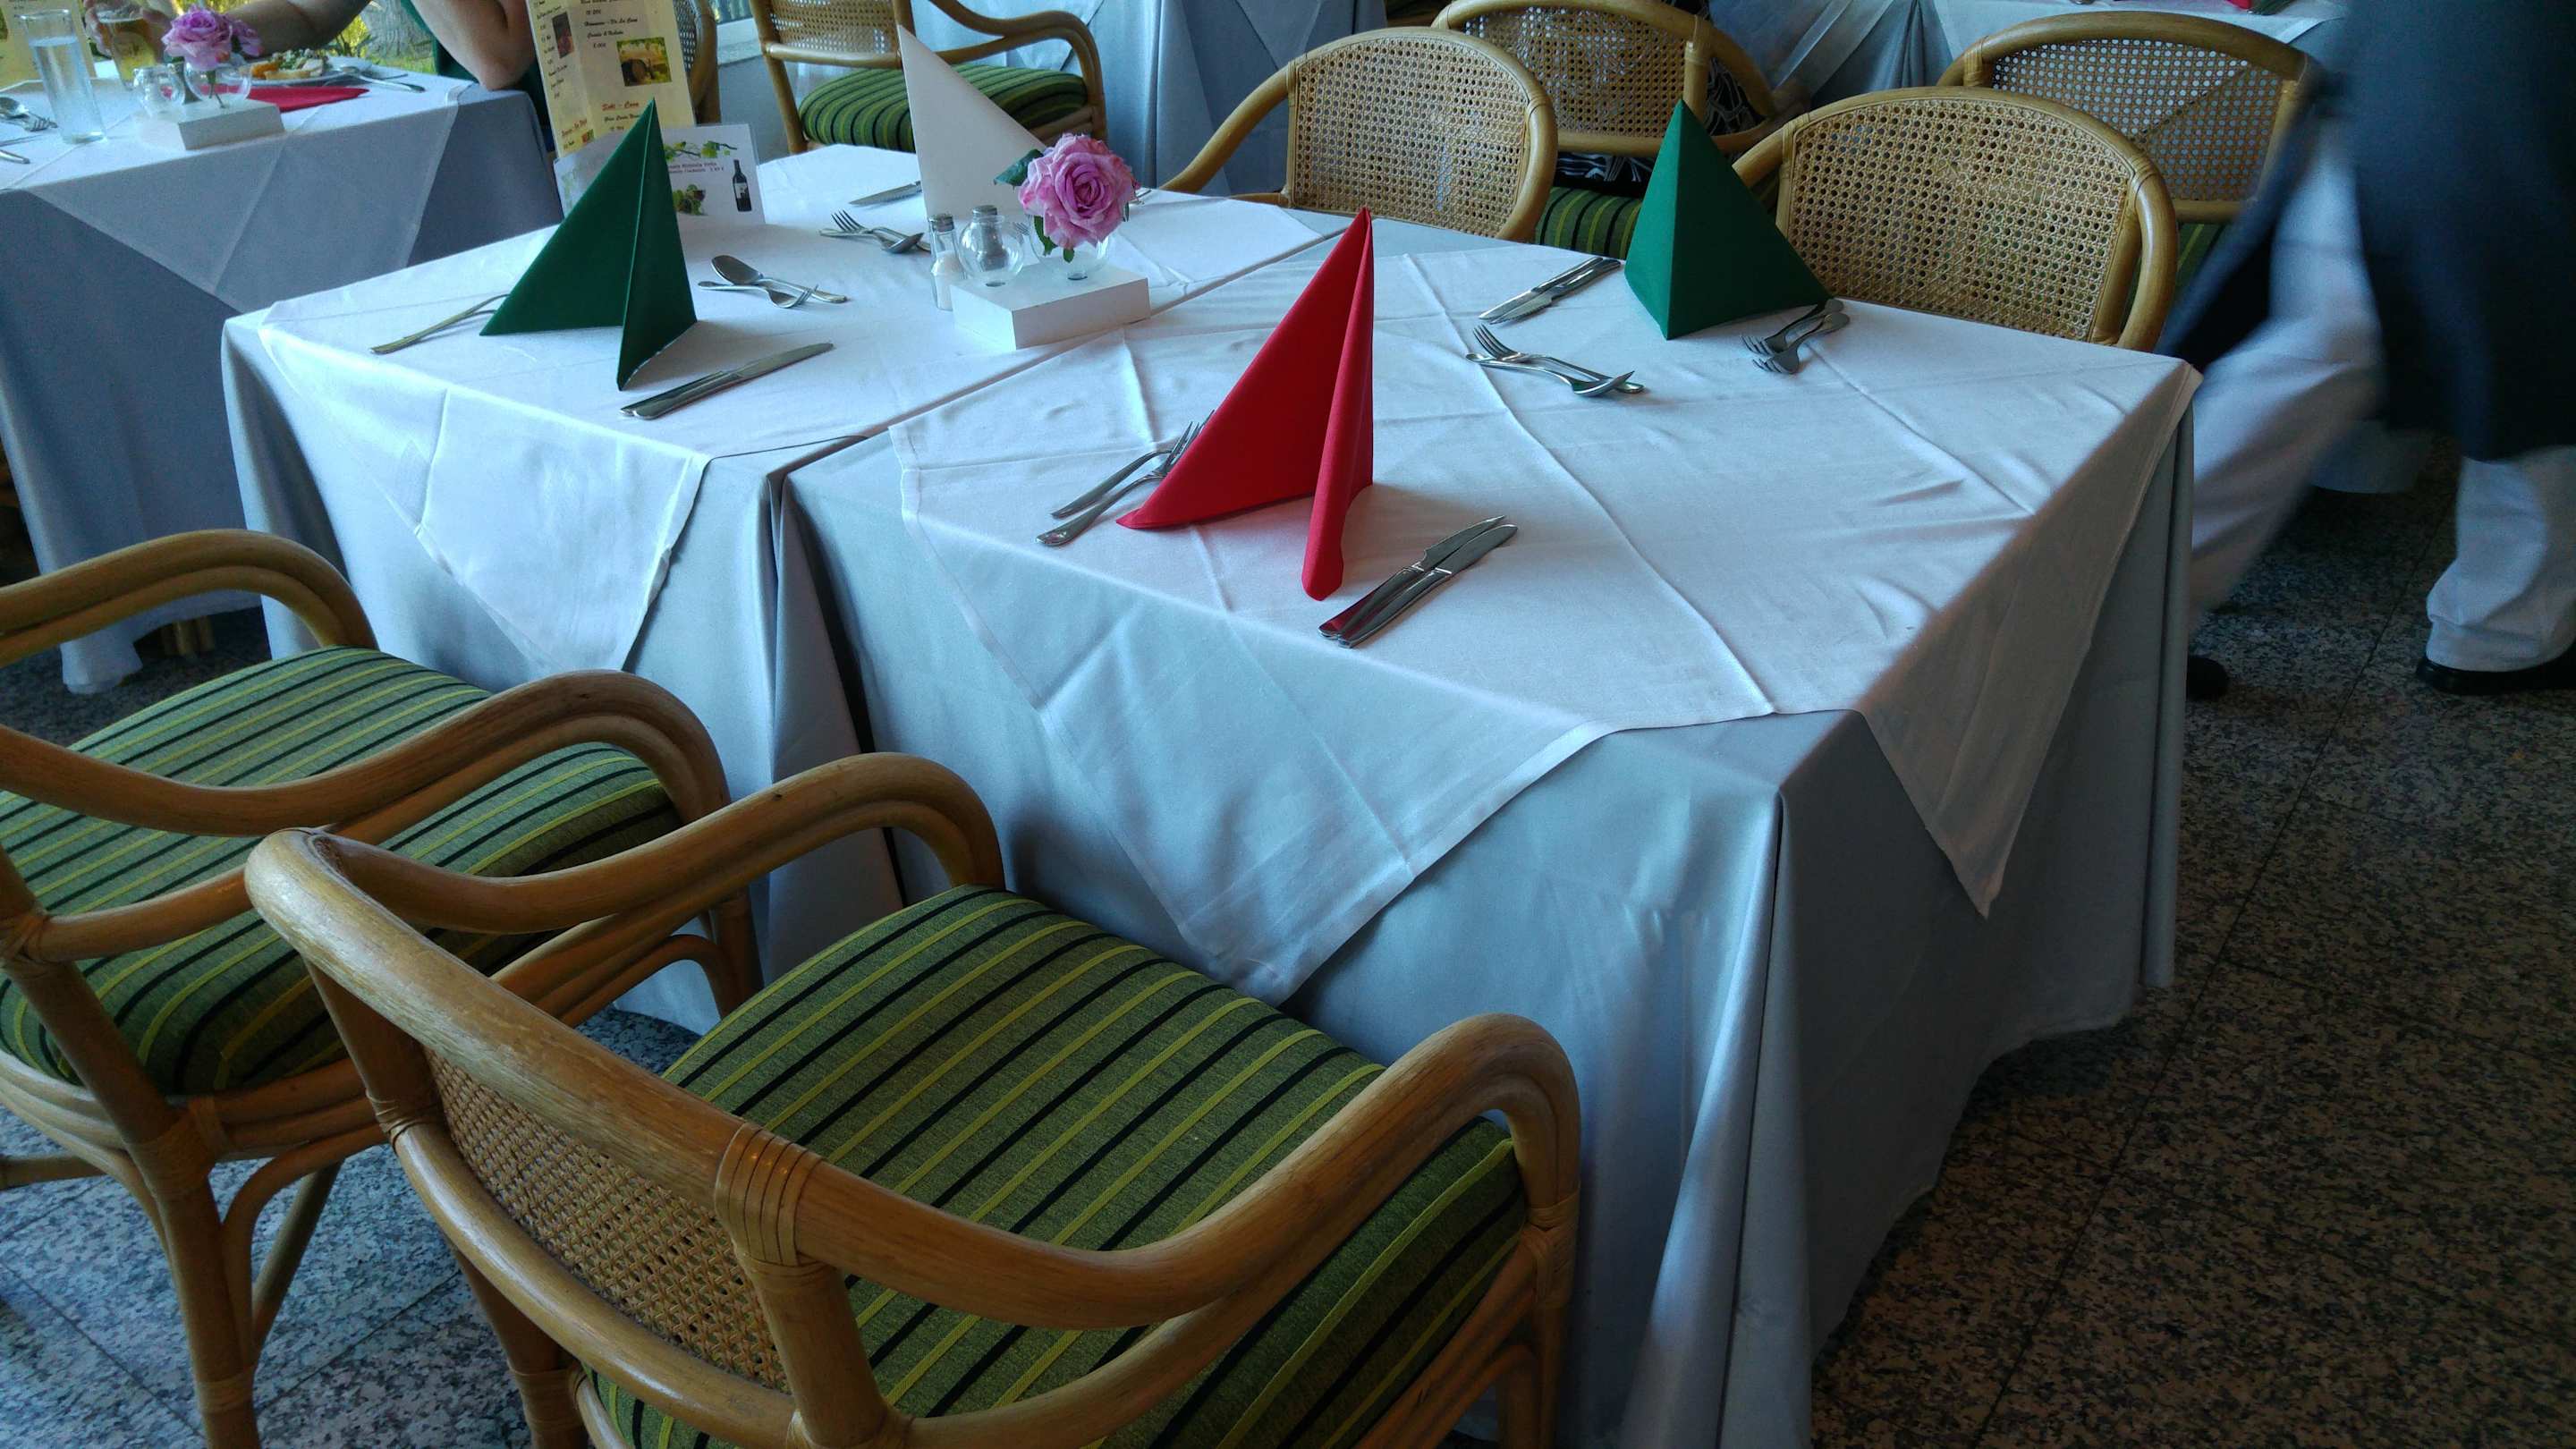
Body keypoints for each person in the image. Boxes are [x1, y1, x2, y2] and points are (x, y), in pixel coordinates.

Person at [2165, 0, 2576, 698]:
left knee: (2300, 361)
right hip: (2526, 96)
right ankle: (2503, 633)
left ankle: (2127, 608)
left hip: (2398, 80)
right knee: (2539, 380)